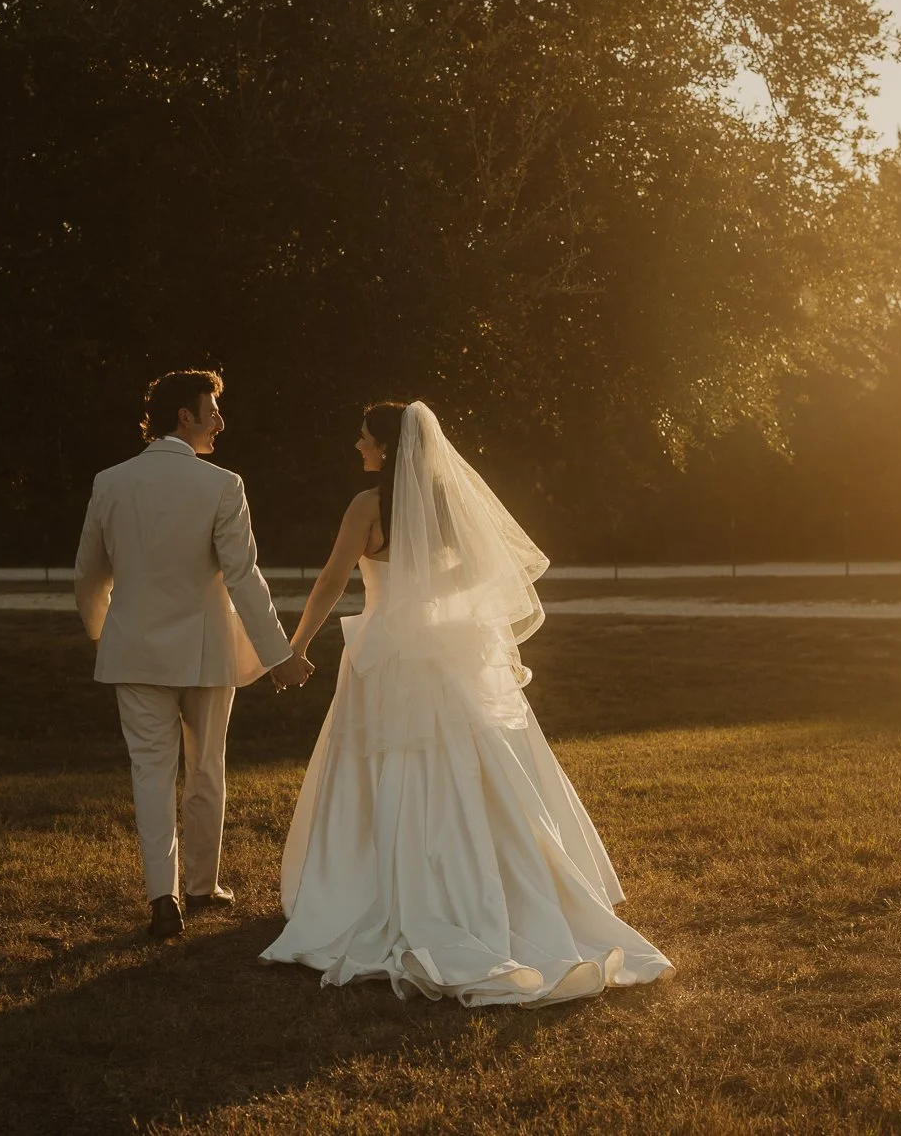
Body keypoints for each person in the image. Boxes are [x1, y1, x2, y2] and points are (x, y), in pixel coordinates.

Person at [259, 399, 671, 1005]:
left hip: (388, 654)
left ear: (388, 447)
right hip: (445, 652)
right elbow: (487, 572)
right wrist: (425, 597)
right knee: (469, 766)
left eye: (365, 436)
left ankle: (391, 888)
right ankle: (489, 883)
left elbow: (330, 579)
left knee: (390, 763)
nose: (358, 445)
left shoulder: (369, 506)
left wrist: (294, 648)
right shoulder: (449, 503)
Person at [75, 369, 315, 940]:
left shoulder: (111, 482)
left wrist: (103, 632)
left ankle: (165, 898)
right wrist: (277, 654)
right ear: (185, 415)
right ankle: (202, 885)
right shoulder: (222, 485)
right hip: (205, 653)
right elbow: (243, 576)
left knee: (150, 774)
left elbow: (89, 573)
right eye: (213, 409)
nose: (220, 420)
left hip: (133, 651)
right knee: (207, 767)